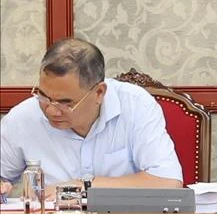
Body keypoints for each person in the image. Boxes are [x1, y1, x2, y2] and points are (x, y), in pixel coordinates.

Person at [0, 37, 183, 199]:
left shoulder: (136, 105)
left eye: (65, 103)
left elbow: (168, 182)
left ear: (99, 93)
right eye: (44, 96)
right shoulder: (23, 117)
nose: (51, 111)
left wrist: (84, 186)